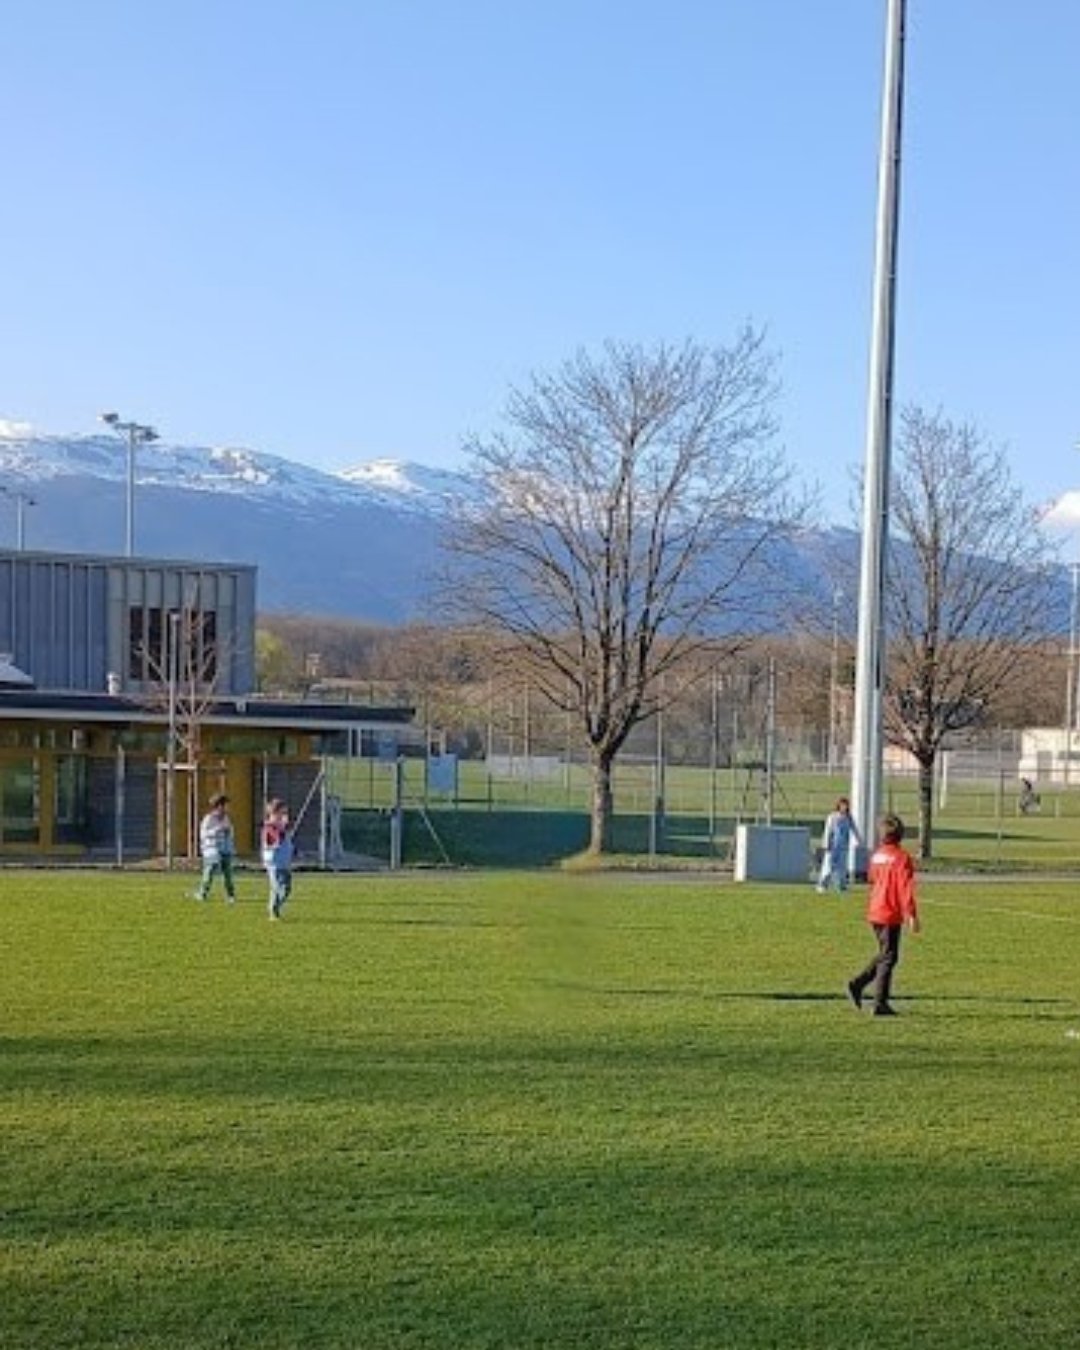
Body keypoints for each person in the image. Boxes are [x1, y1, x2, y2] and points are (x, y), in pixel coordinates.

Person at [846, 814, 921, 1017]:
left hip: (875, 908)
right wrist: (911, 914)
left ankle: (860, 986)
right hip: (889, 911)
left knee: (886, 954)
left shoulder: (877, 855)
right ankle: (876, 999)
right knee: (889, 956)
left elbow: (872, 878)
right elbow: (905, 887)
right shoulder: (902, 858)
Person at [194, 793, 237, 904]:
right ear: (219, 806)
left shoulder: (226, 818)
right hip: (212, 849)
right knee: (209, 871)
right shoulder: (208, 819)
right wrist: (217, 830)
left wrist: (229, 834)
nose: (228, 808)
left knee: (228, 874)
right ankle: (202, 893)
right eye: (226, 805)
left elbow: (230, 832)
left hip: (225, 848)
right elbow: (203, 834)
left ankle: (230, 895)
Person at [816, 796, 862, 893]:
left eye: (846, 805)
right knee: (828, 866)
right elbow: (828, 831)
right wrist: (826, 844)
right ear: (839, 805)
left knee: (842, 867)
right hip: (832, 845)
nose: (844, 807)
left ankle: (841, 886)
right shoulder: (832, 816)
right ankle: (822, 885)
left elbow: (854, 829)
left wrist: (858, 840)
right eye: (843, 805)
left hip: (843, 846)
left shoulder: (848, 818)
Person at [261, 798, 295, 921]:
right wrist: (282, 828)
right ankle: (273, 911)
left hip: (284, 863)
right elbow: (276, 840)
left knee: (287, 888)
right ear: (273, 813)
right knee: (276, 887)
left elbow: (286, 842)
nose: (283, 816)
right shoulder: (269, 827)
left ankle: (275, 906)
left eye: (285, 813)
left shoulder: (281, 827)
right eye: (281, 813)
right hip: (274, 863)